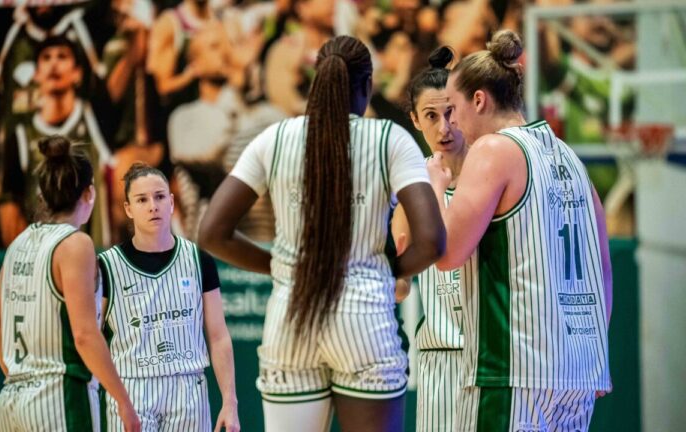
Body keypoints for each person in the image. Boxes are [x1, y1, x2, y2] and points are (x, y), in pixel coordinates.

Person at [198, 35, 446, 432]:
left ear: (316, 81)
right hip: (365, 322)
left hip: (291, 320)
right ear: (366, 87)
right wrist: (387, 270)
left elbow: (211, 232)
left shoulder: (273, 139)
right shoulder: (390, 139)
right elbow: (432, 241)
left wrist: (279, 267)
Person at [426, 30, 613, 431]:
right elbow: (603, 268)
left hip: (515, 371)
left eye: (454, 108)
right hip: (579, 372)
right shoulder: (570, 158)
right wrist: (596, 350)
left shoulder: (493, 150)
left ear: (479, 100)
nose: (452, 122)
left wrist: (437, 189)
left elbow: (446, 254)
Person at [0, 135, 139, 432]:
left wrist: (23, 378)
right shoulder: (75, 244)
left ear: (42, 193)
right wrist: (123, 400)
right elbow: (84, 335)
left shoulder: (17, 244)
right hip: (59, 397)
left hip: (11, 401)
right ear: (89, 193)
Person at [97, 163, 239, 432]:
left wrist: (229, 402)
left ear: (172, 202)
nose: (153, 206)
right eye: (142, 199)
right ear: (128, 208)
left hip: (189, 389)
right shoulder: (106, 266)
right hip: (131, 389)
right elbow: (91, 337)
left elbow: (219, 336)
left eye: (160, 196)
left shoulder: (199, 259)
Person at [391, 46, 468, 432]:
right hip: (440, 359)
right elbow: (400, 287)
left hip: (495, 356)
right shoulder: (410, 188)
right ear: (415, 121)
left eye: (452, 113)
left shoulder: (495, 172)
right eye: (431, 116)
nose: (444, 128)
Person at [0, 35, 113, 248]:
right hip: (42, 256)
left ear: (77, 73)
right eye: (46, 58)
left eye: (62, 56)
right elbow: (8, 206)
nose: (54, 63)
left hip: (94, 253)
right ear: (37, 74)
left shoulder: (97, 119)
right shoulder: (21, 134)